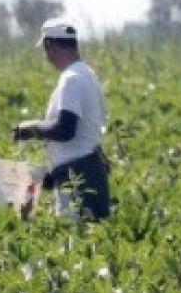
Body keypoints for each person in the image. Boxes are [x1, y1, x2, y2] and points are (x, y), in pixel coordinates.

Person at [13, 18, 111, 220]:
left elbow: (66, 129)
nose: (46, 56)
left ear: (50, 45)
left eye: (45, 49)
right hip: (86, 171)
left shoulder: (71, 79)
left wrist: (31, 129)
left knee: (77, 239)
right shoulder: (88, 74)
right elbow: (86, 133)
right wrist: (51, 177)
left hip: (77, 176)